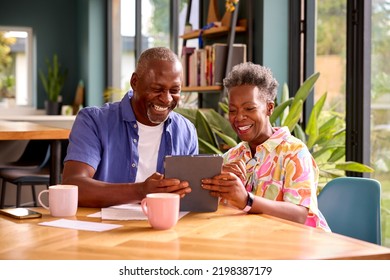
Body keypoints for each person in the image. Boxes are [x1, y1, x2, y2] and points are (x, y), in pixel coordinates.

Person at [62, 47, 198, 207]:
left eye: (174, 90)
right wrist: (140, 191)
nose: (167, 99)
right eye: (157, 89)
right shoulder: (94, 121)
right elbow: (73, 186)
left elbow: (191, 196)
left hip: (163, 226)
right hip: (101, 227)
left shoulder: (186, 130)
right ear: (135, 82)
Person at [201, 62, 330, 231]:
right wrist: (218, 182)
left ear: (269, 108)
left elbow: (299, 215)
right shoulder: (233, 156)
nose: (239, 117)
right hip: (252, 242)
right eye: (233, 110)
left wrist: (247, 200)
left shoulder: (294, 153)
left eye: (249, 108)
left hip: (297, 246)